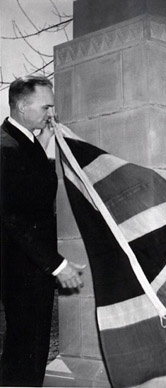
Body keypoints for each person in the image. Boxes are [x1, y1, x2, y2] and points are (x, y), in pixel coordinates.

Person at [0, 75, 86, 386]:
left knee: (32, 349)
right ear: (23, 106)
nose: (52, 113)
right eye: (46, 106)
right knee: (24, 352)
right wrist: (57, 264)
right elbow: (14, 218)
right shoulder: (6, 148)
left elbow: (31, 193)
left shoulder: (26, 142)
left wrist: (47, 147)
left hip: (30, 269)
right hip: (20, 269)